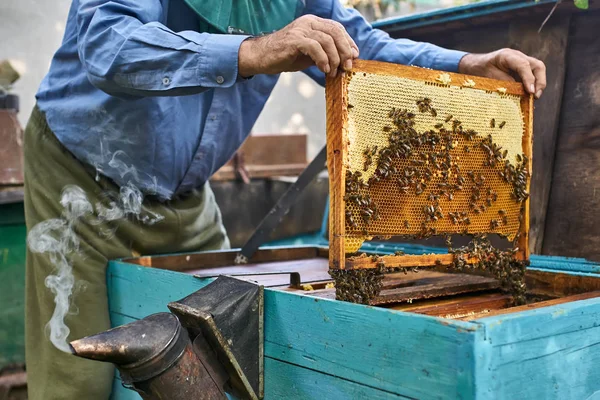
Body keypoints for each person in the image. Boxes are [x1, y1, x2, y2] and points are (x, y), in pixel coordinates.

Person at [24, 0, 546, 398]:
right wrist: (252, 51)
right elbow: (108, 43)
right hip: (80, 180)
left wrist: (465, 64)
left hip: (186, 193)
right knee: (77, 372)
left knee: (227, 344)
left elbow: (357, 46)